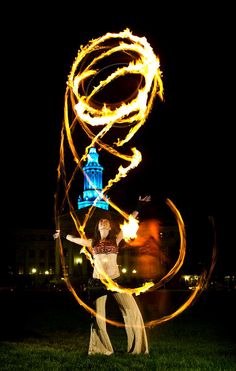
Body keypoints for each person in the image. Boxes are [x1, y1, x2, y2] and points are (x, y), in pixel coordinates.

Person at [53, 196, 150, 355]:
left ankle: (137, 348)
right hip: (98, 282)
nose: (103, 222)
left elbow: (130, 221)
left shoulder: (117, 240)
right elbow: (74, 239)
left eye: (106, 221)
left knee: (132, 311)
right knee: (98, 319)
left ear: (110, 227)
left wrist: (139, 205)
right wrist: (61, 234)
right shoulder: (92, 242)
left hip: (115, 281)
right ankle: (102, 349)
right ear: (98, 227)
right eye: (100, 222)